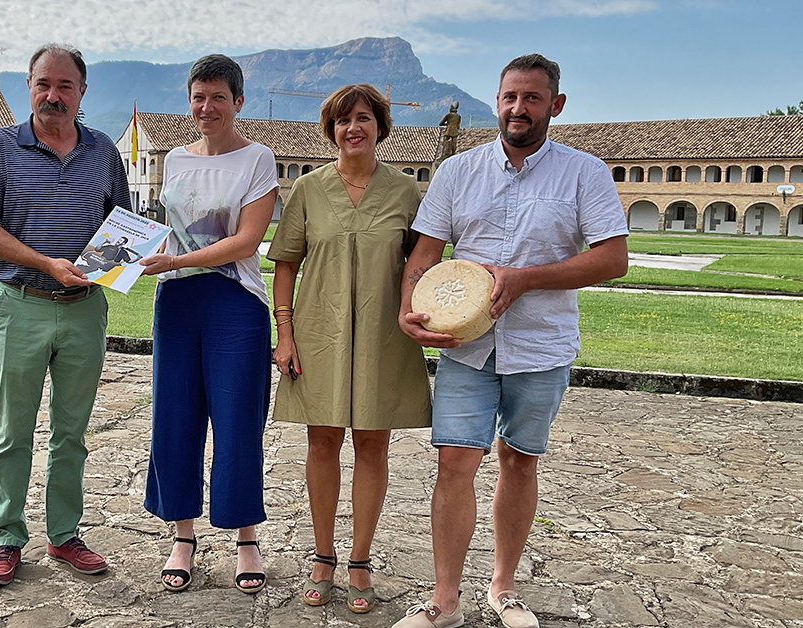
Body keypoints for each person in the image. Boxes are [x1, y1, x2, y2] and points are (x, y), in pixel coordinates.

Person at [393, 54, 628, 628]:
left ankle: (503, 589)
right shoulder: (457, 172)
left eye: (531, 98)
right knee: (454, 462)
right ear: (496, 101)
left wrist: (526, 279)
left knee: (519, 462)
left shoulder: (584, 173)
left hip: (541, 344)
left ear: (556, 104)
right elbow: (424, 253)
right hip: (465, 346)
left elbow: (613, 259)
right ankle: (444, 602)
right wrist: (407, 310)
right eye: (509, 97)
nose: (518, 109)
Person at [0, 43, 131, 587]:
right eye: (43, 84)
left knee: (71, 432)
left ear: (82, 93)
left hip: (84, 309)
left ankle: (64, 535)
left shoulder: (104, 150)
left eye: (65, 86)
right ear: (28, 86)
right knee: (14, 430)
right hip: (23, 305)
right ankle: (8, 537)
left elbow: (121, 224)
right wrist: (46, 264)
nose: (53, 95)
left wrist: (117, 263)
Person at [267, 84, 432, 614]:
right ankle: (322, 556)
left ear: (381, 125)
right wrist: (285, 332)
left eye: (363, 118)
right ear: (330, 129)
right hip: (318, 332)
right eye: (342, 121)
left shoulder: (406, 193)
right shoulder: (310, 190)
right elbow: (286, 263)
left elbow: (421, 264)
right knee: (321, 442)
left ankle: (359, 560)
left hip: (385, 333)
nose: (352, 128)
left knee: (372, 445)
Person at [137, 53, 278, 595]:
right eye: (198, 96)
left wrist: (174, 261)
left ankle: (245, 538)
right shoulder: (174, 159)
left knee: (238, 418)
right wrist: (126, 255)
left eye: (218, 96)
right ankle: (182, 535)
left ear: (237, 102)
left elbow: (245, 242)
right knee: (175, 415)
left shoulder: (257, 158)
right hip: (176, 301)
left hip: (234, 300)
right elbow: (169, 231)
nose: (206, 106)